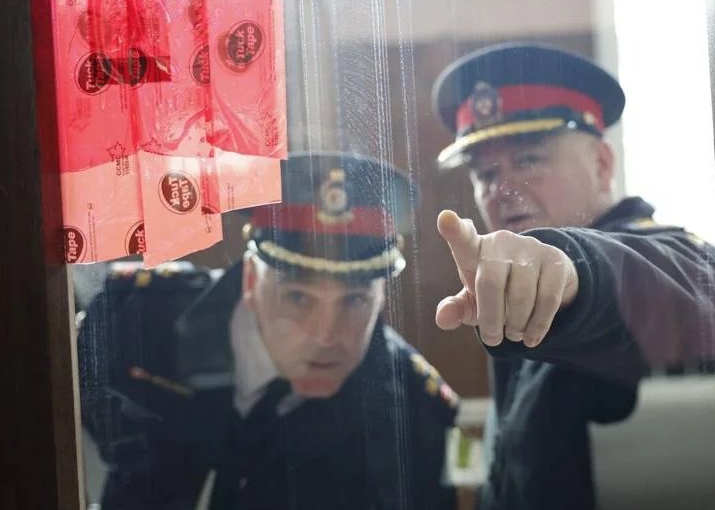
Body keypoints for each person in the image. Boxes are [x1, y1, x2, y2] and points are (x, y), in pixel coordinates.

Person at [428, 42, 715, 510]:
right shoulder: (507, 286)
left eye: (529, 160)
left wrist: (573, 272)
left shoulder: (666, 258)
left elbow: (687, 281)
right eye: (484, 173)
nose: (501, 190)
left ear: (603, 164)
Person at [78, 152, 460, 510]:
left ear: (380, 298)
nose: (326, 335)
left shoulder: (411, 406)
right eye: (297, 297)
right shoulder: (136, 319)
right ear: (249, 279)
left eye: (354, 301)